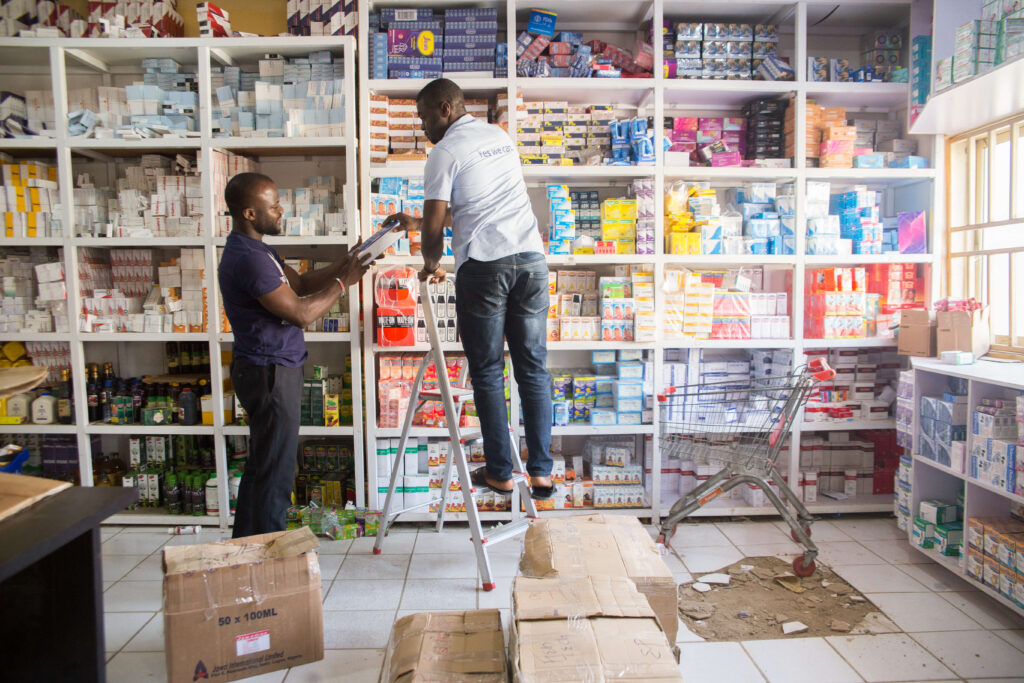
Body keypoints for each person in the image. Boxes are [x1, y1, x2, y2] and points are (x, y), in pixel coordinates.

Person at [386, 78, 554, 500]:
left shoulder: (443, 152)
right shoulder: (498, 136)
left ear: (444, 108)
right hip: (531, 262)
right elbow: (481, 208)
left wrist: (430, 265)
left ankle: (499, 471)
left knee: (487, 371)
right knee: (533, 369)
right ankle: (542, 475)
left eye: (424, 116)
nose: (423, 127)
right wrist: (417, 222)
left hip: (485, 267)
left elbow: (436, 225)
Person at [218, 172, 371, 537]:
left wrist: (348, 262)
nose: (280, 209)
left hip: (272, 368)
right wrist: (342, 283)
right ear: (249, 213)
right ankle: (271, 554)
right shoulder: (247, 259)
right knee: (276, 471)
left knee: (264, 465)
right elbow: (301, 312)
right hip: (268, 372)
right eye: (272, 205)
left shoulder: (261, 250)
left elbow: (300, 284)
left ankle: (248, 546)